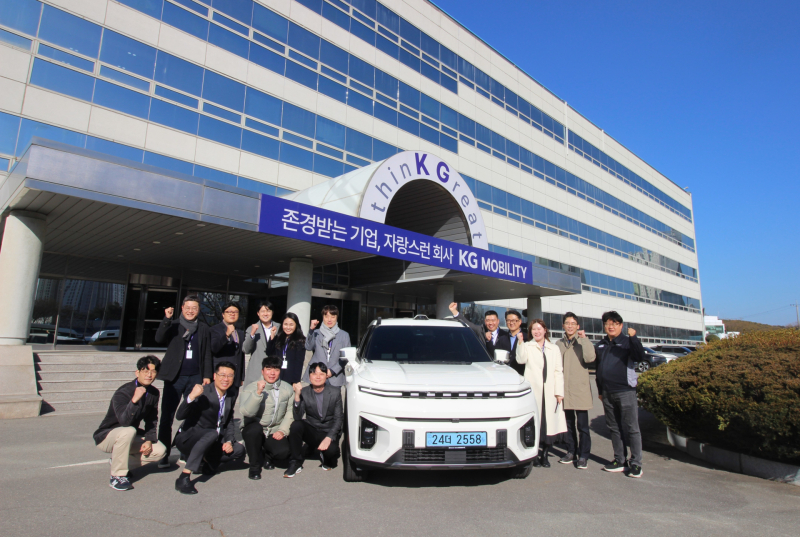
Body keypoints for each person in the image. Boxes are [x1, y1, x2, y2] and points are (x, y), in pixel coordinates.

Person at [155, 295, 212, 468]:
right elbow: (158, 338)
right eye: (188, 307)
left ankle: (184, 451)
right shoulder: (173, 325)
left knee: (191, 416)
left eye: (194, 308)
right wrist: (166, 319)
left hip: (195, 377)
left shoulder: (203, 328)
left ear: (199, 310)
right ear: (182, 308)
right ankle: (163, 453)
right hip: (175, 378)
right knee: (167, 416)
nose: (190, 311)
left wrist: (207, 375)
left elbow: (207, 353)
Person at [94, 356, 167, 491]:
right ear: (137, 372)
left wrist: (149, 440)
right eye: (145, 371)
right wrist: (134, 400)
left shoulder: (154, 393)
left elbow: (152, 419)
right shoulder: (123, 392)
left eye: (153, 371)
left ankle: (117, 461)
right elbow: (124, 421)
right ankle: (117, 476)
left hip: (128, 437)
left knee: (160, 451)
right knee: (129, 430)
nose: (149, 375)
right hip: (107, 437)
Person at [173, 362, 246, 494]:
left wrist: (229, 441)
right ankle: (184, 477)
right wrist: (191, 397)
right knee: (212, 433)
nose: (226, 379)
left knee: (238, 450)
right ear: (214, 376)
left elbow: (228, 421)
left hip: (211, 440)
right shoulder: (204, 392)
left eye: (230, 376)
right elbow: (180, 416)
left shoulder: (230, 395)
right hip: (189, 439)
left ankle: (206, 463)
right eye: (222, 375)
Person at [595, 311, 645, 478]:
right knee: (614, 427)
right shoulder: (601, 344)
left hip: (625, 391)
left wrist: (634, 338)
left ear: (621, 326)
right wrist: (600, 390)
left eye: (614, 324)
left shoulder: (627, 342)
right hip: (607, 392)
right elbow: (598, 369)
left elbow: (639, 356)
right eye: (608, 323)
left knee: (632, 427)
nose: (611, 326)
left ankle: (636, 463)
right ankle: (620, 460)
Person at [515, 318, 567, 468]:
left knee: (548, 424)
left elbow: (558, 371)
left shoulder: (553, 348)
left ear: (545, 330)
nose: (537, 332)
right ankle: (535, 455)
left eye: (539, 329)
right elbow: (520, 360)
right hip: (534, 390)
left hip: (550, 392)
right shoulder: (527, 346)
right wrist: (520, 342)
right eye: (534, 329)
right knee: (535, 423)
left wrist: (559, 392)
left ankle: (545, 454)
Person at [240, 356, 295, 480]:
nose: (272, 373)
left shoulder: (287, 388)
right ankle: (254, 467)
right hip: (256, 429)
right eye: (268, 369)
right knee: (253, 430)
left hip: (274, 430)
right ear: (262, 371)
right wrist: (258, 393)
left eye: (276, 369)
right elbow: (246, 412)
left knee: (283, 452)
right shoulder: (251, 387)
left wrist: (282, 430)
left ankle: (267, 455)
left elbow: (290, 412)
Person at [285, 362, 343, 478]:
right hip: (312, 429)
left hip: (328, 430)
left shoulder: (335, 392)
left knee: (331, 455)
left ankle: (324, 454)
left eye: (321, 374)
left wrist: (329, 437)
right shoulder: (305, 392)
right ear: (309, 376)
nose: (318, 377)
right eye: (314, 374)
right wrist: (297, 396)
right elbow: (297, 417)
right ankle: (295, 461)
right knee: (296, 425)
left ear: (326, 376)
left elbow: (338, 419)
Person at [555, 312, 597, 469]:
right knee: (568, 424)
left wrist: (584, 339)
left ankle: (584, 455)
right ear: (563, 326)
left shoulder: (583, 341)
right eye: (567, 323)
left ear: (578, 326)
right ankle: (571, 451)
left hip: (580, 390)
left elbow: (590, 358)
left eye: (573, 323)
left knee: (583, 426)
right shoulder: (559, 343)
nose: (570, 326)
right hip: (564, 389)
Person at [303, 305, 351, 388]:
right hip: (317, 374)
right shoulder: (316, 333)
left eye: (333, 317)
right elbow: (308, 347)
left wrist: (332, 371)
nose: (329, 319)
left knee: (333, 396)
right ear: (323, 317)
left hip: (335, 377)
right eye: (326, 316)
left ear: (337, 317)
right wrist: (311, 330)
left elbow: (346, 357)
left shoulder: (344, 335)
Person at [243, 300, 279, 386]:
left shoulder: (279, 328)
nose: (265, 314)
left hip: (275, 372)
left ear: (272, 312)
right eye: (262, 311)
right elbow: (246, 350)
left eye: (268, 311)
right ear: (258, 313)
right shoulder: (251, 329)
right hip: (256, 372)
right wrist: (252, 334)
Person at [210, 301, 245, 386]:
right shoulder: (214, 329)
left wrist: (241, 377)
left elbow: (241, 355)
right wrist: (226, 335)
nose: (232, 314)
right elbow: (214, 348)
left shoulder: (240, 332)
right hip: (221, 376)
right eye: (229, 312)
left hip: (235, 377)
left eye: (235, 312)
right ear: (223, 314)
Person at [267, 312, 306, 386]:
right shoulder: (278, 338)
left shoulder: (300, 340)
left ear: (296, 325)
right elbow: (269, 353)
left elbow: (299, 363)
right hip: (277, 375)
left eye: (291, 325)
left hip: (290, 377)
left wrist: (295, 381)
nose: (288, 327)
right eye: (285, 324)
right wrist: (272, 337)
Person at [505, 309, 528, 376]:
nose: (511, 323)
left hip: (521, 374)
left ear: (520, 321)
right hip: (505, 374)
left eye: (514, 320)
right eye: (508, 320)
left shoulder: (527, 338)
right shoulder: (501, 338)